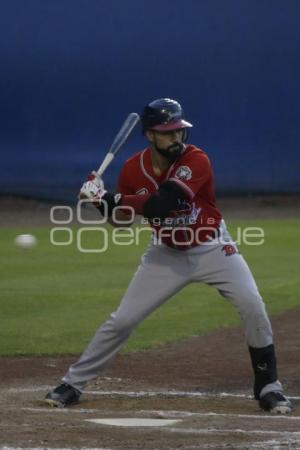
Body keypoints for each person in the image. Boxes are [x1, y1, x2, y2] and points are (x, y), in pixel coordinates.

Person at [45, 98, 292, 413]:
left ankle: (269, 386)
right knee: (122, 320)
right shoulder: (135, 168)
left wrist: (112, 196)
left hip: (213, 247)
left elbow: (162, 204)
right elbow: (121, 221)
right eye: (168, 132)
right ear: (150, 135)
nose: (177, 137)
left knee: (253, 306)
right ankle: (72, 384)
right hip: (166, 253)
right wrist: (98, 200)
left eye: (179, 130)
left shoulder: (196, 159)